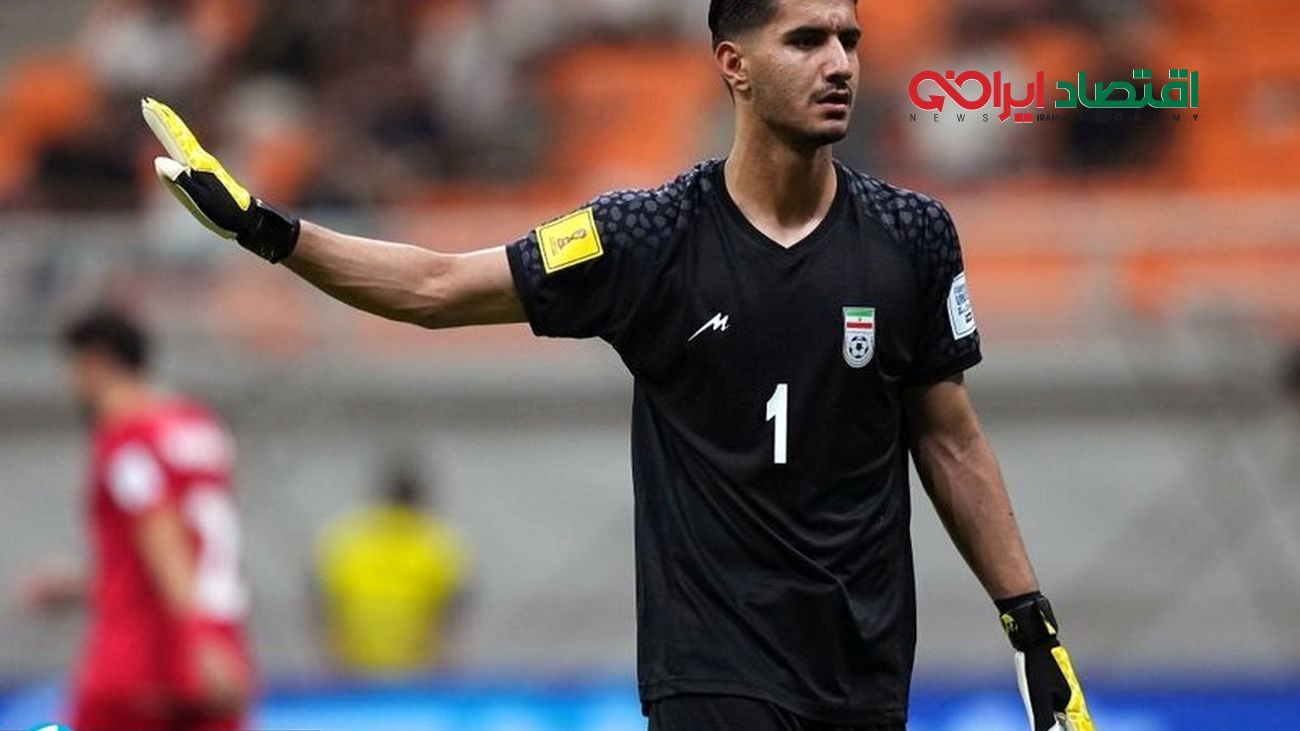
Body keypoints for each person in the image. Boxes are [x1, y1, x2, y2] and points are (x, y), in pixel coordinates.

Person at [139, 1, 1094, 728]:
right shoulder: (645, 236)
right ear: (735, 65)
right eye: (806, 40)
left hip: (867, 666)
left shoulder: (913, 236)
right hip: (712, 669)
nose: (839, 62)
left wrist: (1031, 623)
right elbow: (436, 286)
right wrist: (267, 230)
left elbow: (950, 441)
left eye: (849, 39)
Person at [50, 308, 255, 731]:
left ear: (95, 363)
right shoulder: (201, 425)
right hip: (221, 643)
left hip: (144, 657)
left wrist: (196, 638)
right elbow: (194, 541)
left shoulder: (128, 437)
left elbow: (160, 528)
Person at [315, 458, 471, 676]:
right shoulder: (438, 540)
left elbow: (323, 599)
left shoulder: (347, 535)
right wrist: (446, 649)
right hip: (417, 658)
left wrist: (330, 649)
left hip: (356, 658)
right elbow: (456, 603)